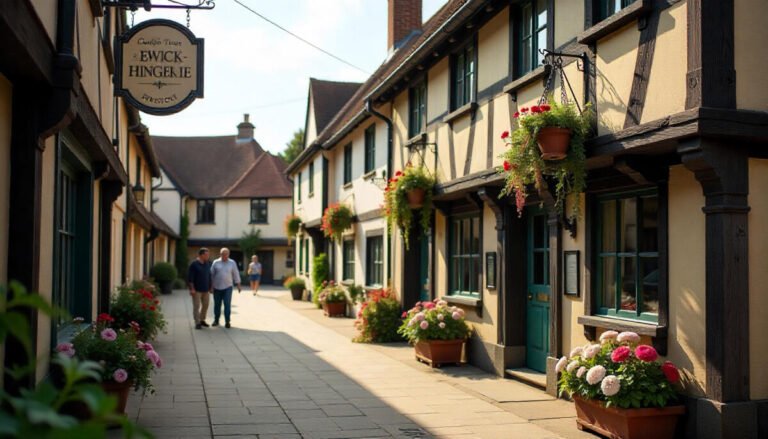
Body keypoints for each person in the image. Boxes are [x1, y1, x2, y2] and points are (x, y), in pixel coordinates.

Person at [210, 247, 241, 328]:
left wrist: (238, 284)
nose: (225, 256)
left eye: (226, 254)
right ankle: (216, 320)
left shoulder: (232, 263)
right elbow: (211, 275)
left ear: (228, 254)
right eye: (223, 254)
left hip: (228, 287)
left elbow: (236, 273)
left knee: (227, 304)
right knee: (217, 305)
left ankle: (227, 321)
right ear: (220, 254)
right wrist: (211, 286)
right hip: (217, 287)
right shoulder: (216, 262)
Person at [187, 248, 212, 330]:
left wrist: (211, 287)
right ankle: (197, 322)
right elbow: (190, 278)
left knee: (206, 305)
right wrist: (192, 289)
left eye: (208, 255)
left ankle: (202, 320)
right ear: (201, 255)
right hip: (196, 290)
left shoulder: (208, 263)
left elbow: (209, 276)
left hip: (206, 290)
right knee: (196, 307)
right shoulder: (194, 264)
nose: (208, 256)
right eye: (206, 255)